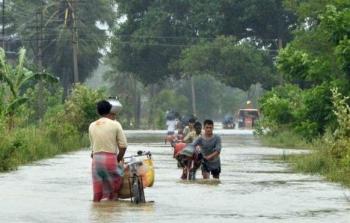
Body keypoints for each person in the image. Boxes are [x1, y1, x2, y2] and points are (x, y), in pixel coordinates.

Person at [89, 99, 128, 202]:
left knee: (97, 192)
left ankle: (96, 212)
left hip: (96, 160)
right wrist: (118, 159)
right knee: (113, 191)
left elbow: (92, 151)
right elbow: (123, 146)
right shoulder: (115, 124)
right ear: (110, 110)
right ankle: (111, 211)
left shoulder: (92, 125)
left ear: (98, 112)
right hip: (110, 159)